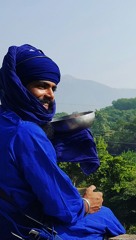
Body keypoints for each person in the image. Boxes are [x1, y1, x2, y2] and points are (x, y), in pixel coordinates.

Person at [0, 44, 126, 239]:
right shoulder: (25, 132)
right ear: (18, 85)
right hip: (22, 229)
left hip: (7, 220)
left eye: (53, 88)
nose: (50, 95)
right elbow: (63, 208)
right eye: (41, 86)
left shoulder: (6, 121)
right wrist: (87, 203)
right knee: (105, 215)